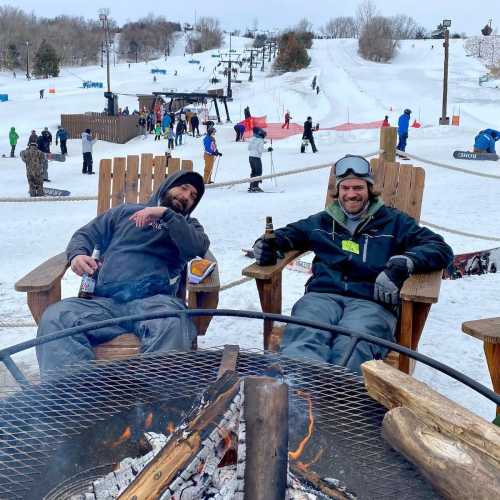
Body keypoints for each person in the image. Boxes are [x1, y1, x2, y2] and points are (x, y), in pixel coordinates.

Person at [252, 154, 453, 374]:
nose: (351, 194)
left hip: (370, 303)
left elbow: (440, 248)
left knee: (352, 347)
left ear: (369, 188)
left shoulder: (394, 222)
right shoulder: (322, 222)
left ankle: (340, 403)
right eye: (345, 188)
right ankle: (298, 396)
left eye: (358, 188)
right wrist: (265, 246)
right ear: (337, 191)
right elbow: (283, 236)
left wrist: (404, 263)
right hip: (321, 298)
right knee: (305, 337)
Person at [35, 170, 209, 376]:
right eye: (183, 188)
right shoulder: (123, 212)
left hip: (155, 304)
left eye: (193, 196)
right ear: (167, 186)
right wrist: (77, 255)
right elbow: (86, 234)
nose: (186, 196)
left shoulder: (188, 226)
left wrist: (165, 214)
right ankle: (73, 399)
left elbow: (196, 247)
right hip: (104, 303)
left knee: (173, 324)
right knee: (56, 318)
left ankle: (159, 405)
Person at [248, 127, 273, 193]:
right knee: (258, 172)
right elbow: (260, 150)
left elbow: (249, 148)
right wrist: (268, 149)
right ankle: (255, 186)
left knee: (253, 171)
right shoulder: (260, 140)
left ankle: (251, 186)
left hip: (251, 157)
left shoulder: (253, 138)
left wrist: (261, 143)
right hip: (256, 158)